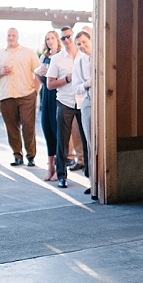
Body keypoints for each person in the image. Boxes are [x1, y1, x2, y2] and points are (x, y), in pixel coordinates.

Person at [0, 28, 41, 167]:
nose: (11, 38)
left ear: (18, 37)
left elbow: (38, 72)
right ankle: (17, 155)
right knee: (12, 128)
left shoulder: (28, 53)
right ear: (6, 37)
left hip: (26, 94)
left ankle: (31, 156)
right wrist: (1, 72)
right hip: (6, 95)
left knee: (28, 126)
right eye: (9, 35)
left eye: (13, 35)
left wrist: (35, 91)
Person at [46, 26, 88, 189]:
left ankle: (90, 177)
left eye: (69, 36)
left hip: (83, 101)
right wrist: (67, 79)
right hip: (65, 102)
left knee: (86, 140)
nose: (67, 40)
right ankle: (62, 176)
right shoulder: (57, 59)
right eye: (63, 38)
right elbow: (50, 84)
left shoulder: (84, 55)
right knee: (62, 141)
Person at [35, 30, 61, 181]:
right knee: (47, 128)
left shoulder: (62, 57)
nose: (50, 41)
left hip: (58, 95)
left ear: (57, 39)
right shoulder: (44, 57)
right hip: (46, 95)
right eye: (47, 39)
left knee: (57, 129)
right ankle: (50, 167)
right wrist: (39, 73)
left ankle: (59, 168)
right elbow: (40, 79)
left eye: (52, 38)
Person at [73, 30, 92, 195]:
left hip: (105, 102)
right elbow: (76, 88)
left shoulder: (102, 58)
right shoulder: (79, 63)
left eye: (84, 42)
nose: (82, 46)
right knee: (90, 142)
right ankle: (94, 181)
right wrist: (87, 84)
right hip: (88, 102)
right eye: (79, 44)